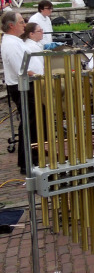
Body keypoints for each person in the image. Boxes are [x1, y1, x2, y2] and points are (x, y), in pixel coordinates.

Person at [1, 12, 37, 174]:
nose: (25, 25)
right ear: (11, 25)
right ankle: (27, 162)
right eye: (22, 22)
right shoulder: (10, 43)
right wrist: (38, 75)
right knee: (29, 124)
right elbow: (21, 69)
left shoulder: (15, 41)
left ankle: (30, 159)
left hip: (25, 85)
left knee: (32, 123)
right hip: (21, 86)